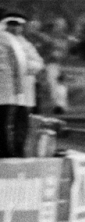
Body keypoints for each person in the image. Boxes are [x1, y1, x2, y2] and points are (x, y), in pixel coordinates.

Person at [2, 11, 44, 157]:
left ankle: (18, 152)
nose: (14, 28)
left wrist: (22, 66)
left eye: (17, 25)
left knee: (21, 125)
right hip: (7, 92)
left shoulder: (26, 45)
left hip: (24, 93)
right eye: (11, 24)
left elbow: (38, 64)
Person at [0, 11, 23, 158]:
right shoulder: (9, 39)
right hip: (6, 90)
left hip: (4, 91)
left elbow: (19, 64)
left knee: (2, 125)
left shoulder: (7, 39)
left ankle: (7, 155)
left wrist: (18, 88)